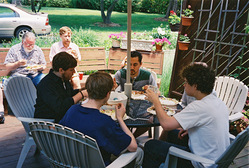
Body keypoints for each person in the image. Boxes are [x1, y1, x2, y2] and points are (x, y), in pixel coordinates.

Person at [142, 64, 230, 168]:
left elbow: (166, 124)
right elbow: (210, 126)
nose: (184, 85)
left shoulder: (198, 106)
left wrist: (156, 101)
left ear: (195, 86)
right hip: (217, 158)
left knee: (151, 146)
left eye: (186, 82)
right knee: (171, 133)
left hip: (201, 163)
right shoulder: (217, 102)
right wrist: (191, 129)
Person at [59, 72, 143, 167]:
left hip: (71, 162)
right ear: (108, 94)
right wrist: (120, 118)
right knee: (139, 151)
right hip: (98, 164)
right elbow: (133, 147)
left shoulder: (72, 110)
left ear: (88, 90)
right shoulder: (104, 121)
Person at [114, 51, 158, 138]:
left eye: (135, 64)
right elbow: (113, 89)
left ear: (140, 64)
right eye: (129, 64)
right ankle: (122, 137)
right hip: (124, 105)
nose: (131, 67)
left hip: (142, 106)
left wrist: (150, 89)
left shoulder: (147, 75)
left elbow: (156, 92)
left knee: (150, 120)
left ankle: (132, 138)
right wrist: (113, 87)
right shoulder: (120, 74)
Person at [34, 52, 87, 123]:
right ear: (61, 70)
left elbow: (69, 96)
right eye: (71, 70)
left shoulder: (64, 79)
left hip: (62, 118)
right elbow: (60, 108)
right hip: (48, 123)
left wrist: (84, 90)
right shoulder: (46, 84)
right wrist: (81, 94)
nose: (74, 72)